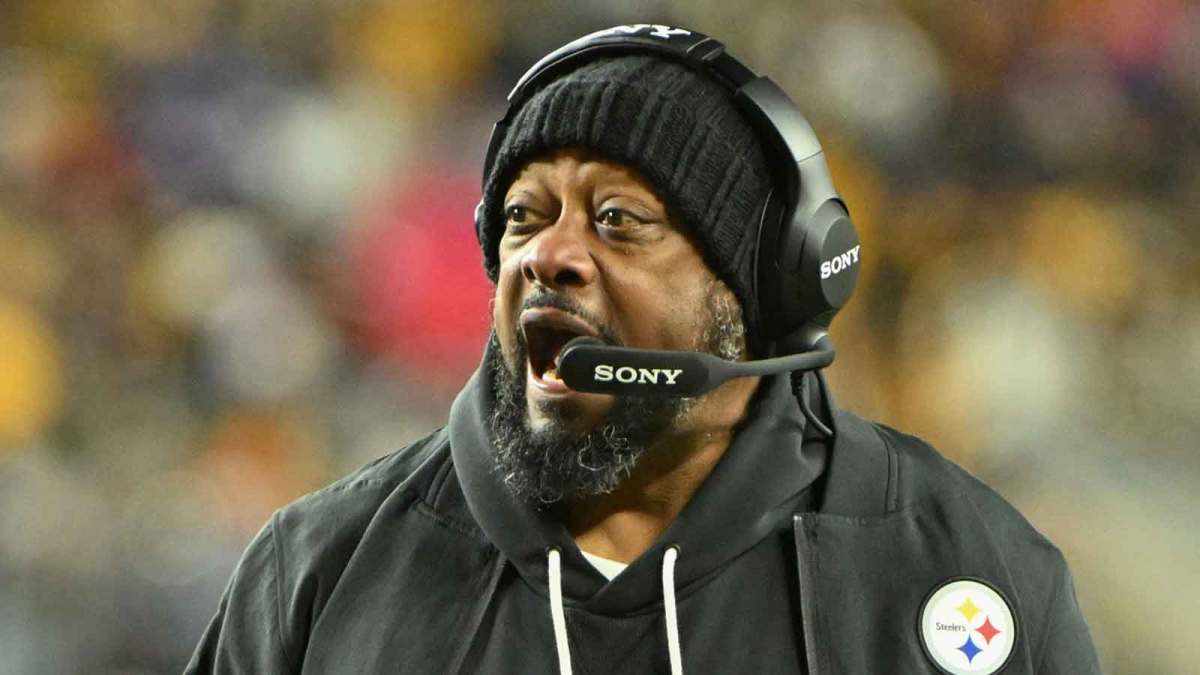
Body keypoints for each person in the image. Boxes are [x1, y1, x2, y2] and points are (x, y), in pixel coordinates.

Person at [186, 26, 1101, 674]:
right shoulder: (321, 568)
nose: (547, 255)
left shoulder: (964, 565)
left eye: (620, 219)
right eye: (523, 216)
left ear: (758, 286)